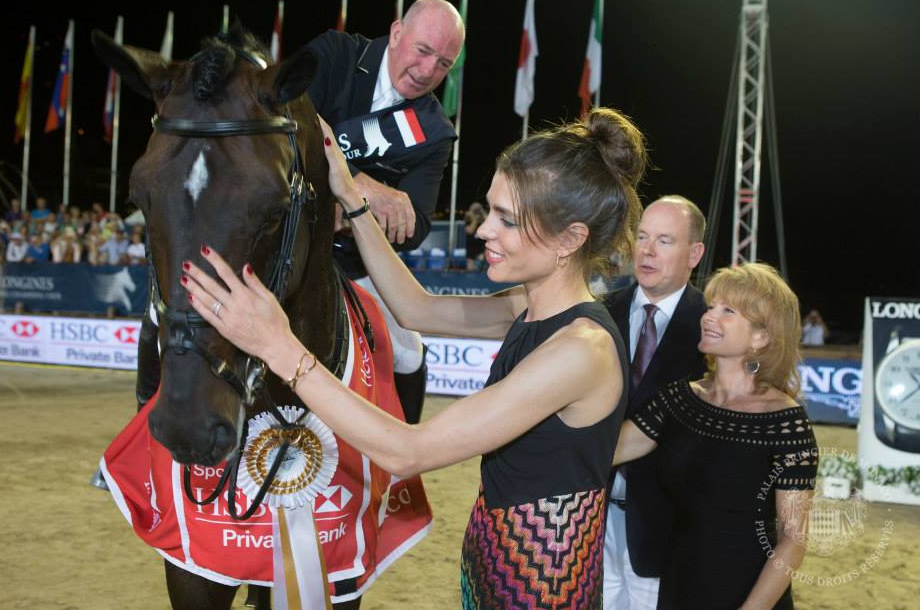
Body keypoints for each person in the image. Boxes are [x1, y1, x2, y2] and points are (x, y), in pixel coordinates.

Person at [182, 107, 647, 608]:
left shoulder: (580, 350)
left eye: (507, 220)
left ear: (569, 239)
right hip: (495, 563)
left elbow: (409, 451)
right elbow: (415, 309)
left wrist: (278, 347)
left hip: (542, 586)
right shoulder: (529, 307)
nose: (483, 230)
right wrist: (351, 197)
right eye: (490, 211)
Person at [614, 262, 818, 610]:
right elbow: (603, 451)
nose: (709, 316)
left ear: (761, 337)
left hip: (748, 593)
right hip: (679, 586)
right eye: (711, 307)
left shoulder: (786, 424)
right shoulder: (677, 401)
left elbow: (793, 539)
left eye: (728, 311)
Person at [304, 0, 464, 424]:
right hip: (283, 232)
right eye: (423, 50)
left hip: (354, 259)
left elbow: (417, 226)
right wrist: (364, 186)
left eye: (444, 64)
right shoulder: (336, 54)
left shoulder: (436, 131)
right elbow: (287, 123)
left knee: (409, 352)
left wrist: (347, 213)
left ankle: (403, 454)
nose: (428, 71)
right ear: (396, 33)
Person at [602, 195, 708, 609]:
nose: (646, 251)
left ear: (694, 254)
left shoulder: (712, 330)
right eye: (642, 237)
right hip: (594, 522)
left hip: (668, 531)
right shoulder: (600, 315)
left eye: (664, 241)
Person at [464, 201, 488, 271]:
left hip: (482, 245)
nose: (477, 212)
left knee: (482, 265)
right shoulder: (468, 218)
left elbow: (489, 227)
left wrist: (483, 214)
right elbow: (469, 231)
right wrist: (475, 220)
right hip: (471, 245)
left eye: (478, 209)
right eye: (475, 210)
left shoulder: (484, 218)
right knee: (470, 268)